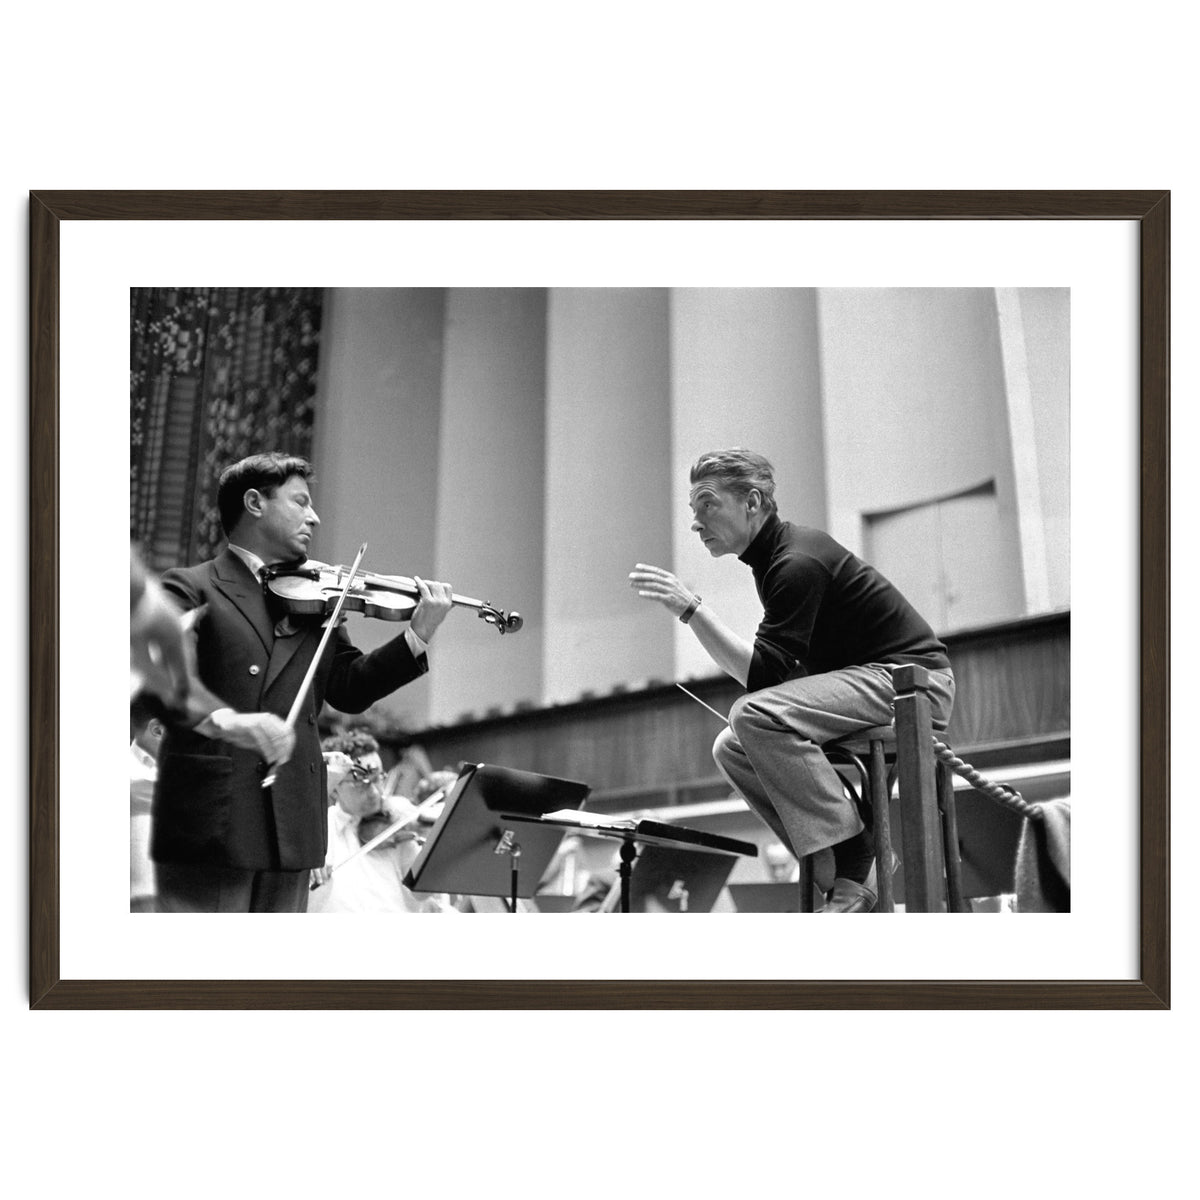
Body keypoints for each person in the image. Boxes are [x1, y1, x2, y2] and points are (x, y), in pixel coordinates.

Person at [630, 448, 955, 913]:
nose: (696, 523)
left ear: (752, 502)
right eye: (693, 510)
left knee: (751, 714)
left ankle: (857, 862)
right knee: (731, 746)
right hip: (869, 683)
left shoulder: (796, 562)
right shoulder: (773, 563)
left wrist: (692, 610)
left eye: (707, 504)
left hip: (912, 684)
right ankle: (840, 878)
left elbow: (761, 682)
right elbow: (770, 674)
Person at [151, 452, 455, 913]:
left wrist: (417, 634)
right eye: (300, 502)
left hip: (291, 824)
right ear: (254, 503)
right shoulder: (193, 587)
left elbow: (348, 688)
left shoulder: (316, 600)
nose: (314, 517)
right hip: (214, 821)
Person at [308, 730, 455, 913]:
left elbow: (422, 892)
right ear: (335, 788)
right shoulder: (317, 831)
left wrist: (438, 842)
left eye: (377, 778)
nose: (376, 792)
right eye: (361, 782)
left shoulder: (397, 830)